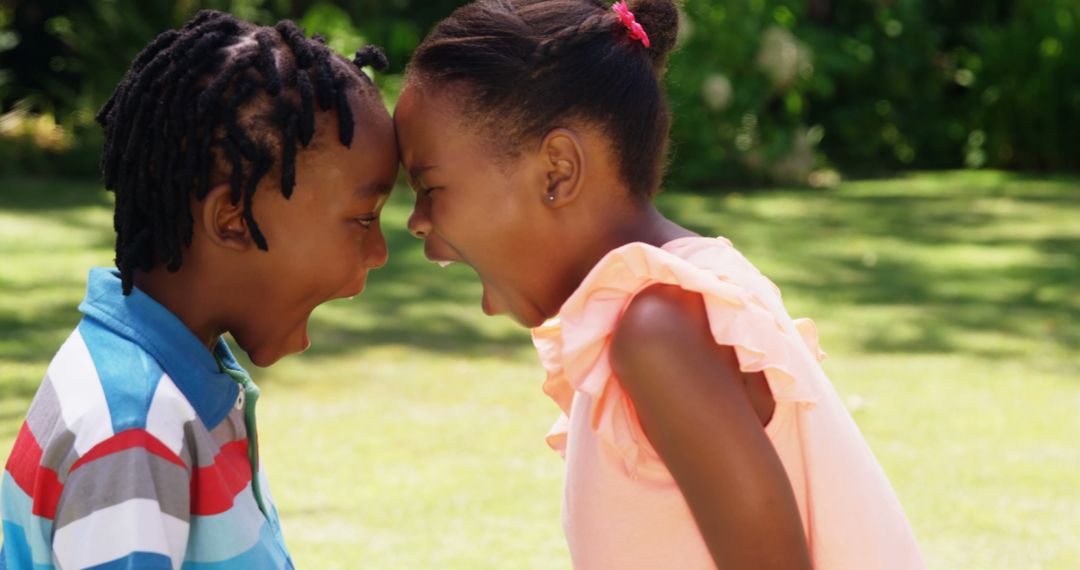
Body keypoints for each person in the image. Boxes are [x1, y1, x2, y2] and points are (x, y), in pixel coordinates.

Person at [395, 0, 924, 567]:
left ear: (557, 170)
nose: (416, 221)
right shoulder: (666, 306)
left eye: (430, 188)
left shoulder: (659, 328)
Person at [0, 10, 396, 569]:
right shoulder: (134, 431)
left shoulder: (180, 382)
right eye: (363, 218)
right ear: (233, 220)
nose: (380, 252)